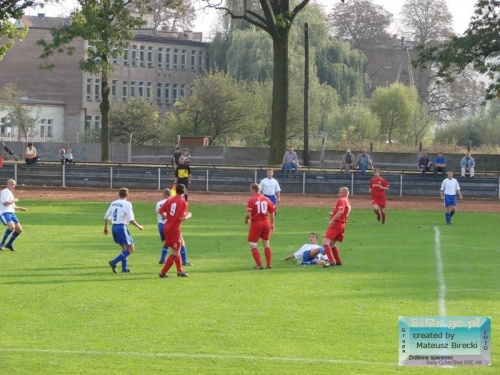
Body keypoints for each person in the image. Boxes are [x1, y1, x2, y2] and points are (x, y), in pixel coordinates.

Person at [104, 187, 144, 273]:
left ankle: (124, 269)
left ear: (118, 194)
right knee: (131, 249)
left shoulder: (114, 203)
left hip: (114, 227)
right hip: (121, 227)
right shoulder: (127, 204)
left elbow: (107, 216)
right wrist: (139, 226)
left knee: (124, 249)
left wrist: (106, 228)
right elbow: (131, 219)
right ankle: (114, 262)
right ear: (127, 195)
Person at [158, 183, 191, 278]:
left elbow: (160, 211)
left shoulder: (170, 200)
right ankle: (163, 272)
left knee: (177, 249)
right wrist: (189, 215)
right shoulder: (183, 202)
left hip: (167, 226)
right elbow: (181, 218)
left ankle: (180, 270)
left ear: (175, 190)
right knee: (175, 253)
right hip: (174, 229)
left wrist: (168, 217)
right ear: (184, 191)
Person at [245, 183, 276, 269]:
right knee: (266, 244)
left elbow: (248, 214)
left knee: (253, 244)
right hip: (266, 223)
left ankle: (259, 265)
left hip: (256, 223)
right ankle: (269, 264)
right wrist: (272, 223)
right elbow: (272, 212)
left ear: (253, 190)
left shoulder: (252, 200)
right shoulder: (266, 199)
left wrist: (246, 220)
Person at [322, 187, 351, 266]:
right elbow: (343, 213)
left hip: (337, 224)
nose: (338, 194)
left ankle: (331, 261)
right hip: (342, 224)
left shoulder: (341, 200)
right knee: (332, 244)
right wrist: (333, 214)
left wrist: (333, 219)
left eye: (340, 192)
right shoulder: (347, 201)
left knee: (325, 242)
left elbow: (341, 211)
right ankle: (338, 261)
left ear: (344, 193)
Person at [0, 179, 27, 251]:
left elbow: (13, 206)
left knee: (19, 230)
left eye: (14, 184)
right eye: (12, 184)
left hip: (11, 213)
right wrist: (14, 200)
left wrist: (21, 208)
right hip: (5, 213)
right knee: (12, 227)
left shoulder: (10, 193)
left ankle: (9, 244)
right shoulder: (5, 191)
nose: (13, 186)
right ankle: (2, 244)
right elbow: (5, 203)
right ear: (8, 184)